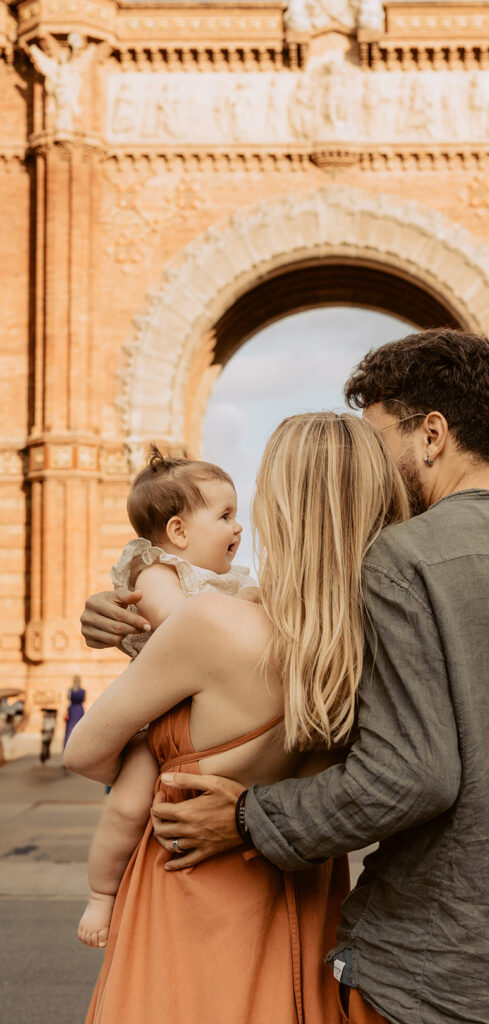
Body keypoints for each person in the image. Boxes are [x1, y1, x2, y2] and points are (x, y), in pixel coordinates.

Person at [81, 328, 489, 1024]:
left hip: (427, 975)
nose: (369, 463)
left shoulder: (400, 560)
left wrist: (247, 816)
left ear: (430, 435)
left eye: (376, 439)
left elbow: (407, 774)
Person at [68, 412, 408, 1024]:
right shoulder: (381, 640)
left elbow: (83, 753)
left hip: (186, 894)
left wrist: (150, 749)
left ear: (280, 506)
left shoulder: (211, 625)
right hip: (308, 901)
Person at [75, 446, 258, 949]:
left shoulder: (220, 583)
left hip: (197, 717)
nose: (238, 528)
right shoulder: (158, 575)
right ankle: (101, 892)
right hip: (156, 722)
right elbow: (186, 630)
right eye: (225, 516)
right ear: (178, 532)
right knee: (129, 805)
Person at [63, 676, 86, 749]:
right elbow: (83, 699)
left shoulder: (70, 690)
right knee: (79, 728)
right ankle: (78, 746)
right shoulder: (82, 691)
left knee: (70, 729)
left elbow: (68, 698)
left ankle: (67, 747)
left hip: (72, 710)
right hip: (79, 710)